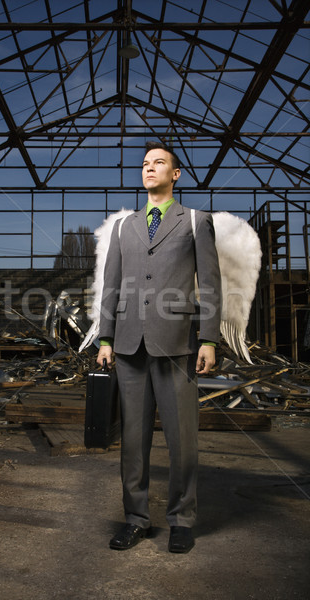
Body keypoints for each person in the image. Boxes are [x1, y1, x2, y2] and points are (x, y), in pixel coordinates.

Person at [96, 141, 221, 553]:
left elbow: (211, 283)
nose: (149, 168)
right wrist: (106, 337)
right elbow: (111, 284)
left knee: (182, 440)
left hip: (177, 346)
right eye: (145, 163)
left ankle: (182, 521)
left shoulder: (195, 221)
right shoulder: (124, 226)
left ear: (176, 173)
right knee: (133, 440)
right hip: (130, 346)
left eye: (159, 163)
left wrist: (207, 338)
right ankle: (135, 519)